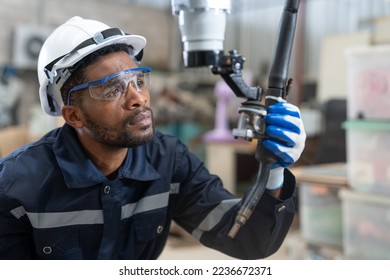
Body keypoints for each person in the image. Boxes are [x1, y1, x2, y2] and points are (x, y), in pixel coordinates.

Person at [0, 16, 306, 260]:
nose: (139, 99)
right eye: (112, 88)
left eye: (138, 80)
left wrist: (275, 173)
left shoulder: (169, 161)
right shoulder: (17, 184)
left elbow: (246, 241)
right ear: (73, 116)